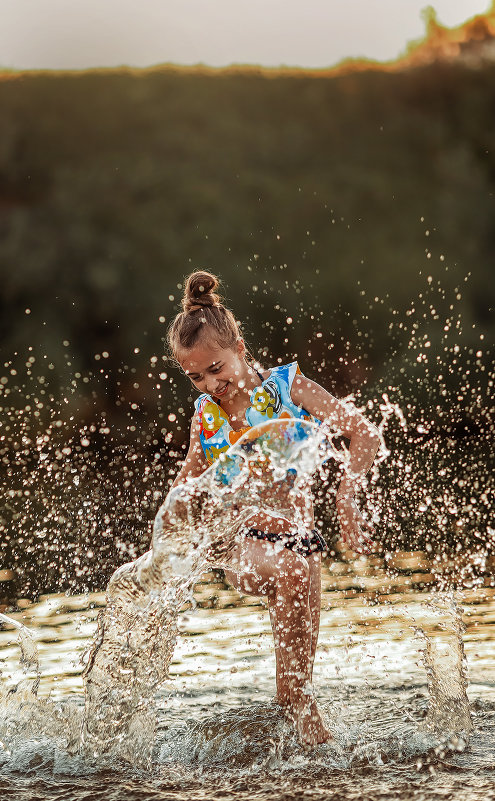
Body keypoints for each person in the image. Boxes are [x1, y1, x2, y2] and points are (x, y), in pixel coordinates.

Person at [165, 270, 381, 747]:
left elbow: (363, 432)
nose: (208, 384)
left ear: (239, 349)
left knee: (299, 696)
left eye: (215, 369)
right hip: (242, 541)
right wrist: (164, 540)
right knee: (288, 574)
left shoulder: (287, 387)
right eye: (195, 376)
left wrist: (347, 497)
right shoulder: (207, 415)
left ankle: (309, 768)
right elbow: (187, 485)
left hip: (302, 545)